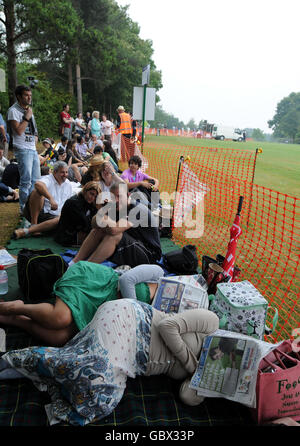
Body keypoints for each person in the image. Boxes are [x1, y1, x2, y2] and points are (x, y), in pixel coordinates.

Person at [0, 298, 219, 425]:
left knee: (103, 399)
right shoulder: (211, 323)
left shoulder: (200, 375)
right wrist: (194, 365)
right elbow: (167, 327)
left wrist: (201, 379)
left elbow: (186, 396)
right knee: (93, 367)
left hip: (130, 359)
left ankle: (40, 369)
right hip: (132, 321)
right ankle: (18, 361)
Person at [0, 261, 164, 346]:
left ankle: (17, 320)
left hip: (101, 311)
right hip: (96, 283)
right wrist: (134, 314)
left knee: (60, 338)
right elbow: (126, 279)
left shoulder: (161, 313)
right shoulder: (158, 274)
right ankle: (15, 307)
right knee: (60, 318)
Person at [72, 180, 162, 267]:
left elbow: (114, 230)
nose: (116, 200)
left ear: (128, 195)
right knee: (98, 230)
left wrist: (104, 218)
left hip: (149, 255)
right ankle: (73, 264)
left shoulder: (137, 210)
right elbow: (94, 224)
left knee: (114, 235)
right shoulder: (115, 206)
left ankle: (86, 268)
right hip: (134, 245)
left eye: (119, 196)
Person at [13, 161, 74, 239]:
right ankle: (34, 224)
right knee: (37, 192)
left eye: (66, 172)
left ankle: (28, 231)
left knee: (61, 220)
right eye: (62, 172)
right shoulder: (48, 179)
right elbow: (38, 184)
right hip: (38, 213)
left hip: (55, 217)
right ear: (55, 172)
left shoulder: (68, 184)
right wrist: (51, 199)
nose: (65, 175)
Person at [7, 85, 40, 212]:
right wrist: (27, 117)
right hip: (22, 149)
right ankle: (23, 209)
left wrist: (35, 141)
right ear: (19, 96)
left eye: (30, 95)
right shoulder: (13, 111)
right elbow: (19, 131)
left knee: (35, 180)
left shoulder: (29, 110)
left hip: (32, 149)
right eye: (26, 95)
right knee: (25, 181)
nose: (29, 97)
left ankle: (31, 207)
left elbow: (35, 131)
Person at [54, 181, 100, 246]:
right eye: (91, 194)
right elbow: (86, 225)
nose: (92, 198)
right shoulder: (74, 203)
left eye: (95, 196)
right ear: (85, 191)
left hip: (75, 232)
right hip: (67, 236)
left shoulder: (89, 202)